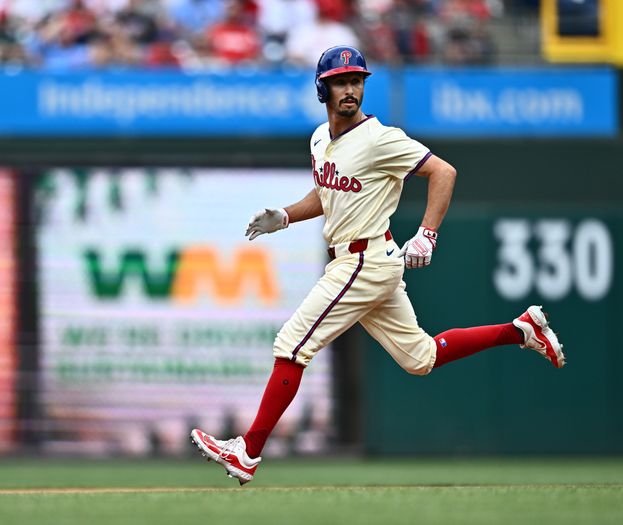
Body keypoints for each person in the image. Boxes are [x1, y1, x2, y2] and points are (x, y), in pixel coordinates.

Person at [191, 45, 566, 485]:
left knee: (291, 346)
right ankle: (520, 330)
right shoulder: (319, 138)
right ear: (322, 89)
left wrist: (427, 232)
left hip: (364, 260)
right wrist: (288, 215)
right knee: (420, 358)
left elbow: (443, 172)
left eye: (357, 81)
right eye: (340, 82)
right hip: (367, 261)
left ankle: (248, 453)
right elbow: (328, 193)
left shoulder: (379, 138)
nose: (350, 89)